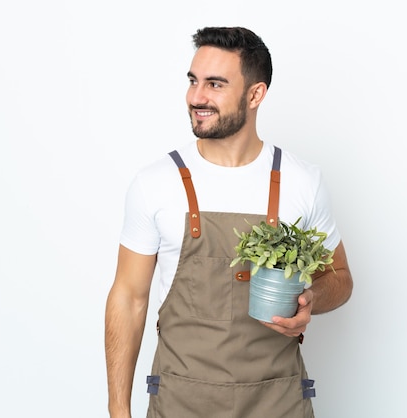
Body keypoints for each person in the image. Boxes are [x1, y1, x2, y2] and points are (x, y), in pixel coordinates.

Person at [104, 26, 353, 418]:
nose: (196, 97)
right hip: (180, 402)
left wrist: (311, 300)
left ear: (255, 94)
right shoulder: (156, 183)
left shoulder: (302, 181)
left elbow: (338, 277)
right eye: (193, 81)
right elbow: (128, 298)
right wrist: (118, 410)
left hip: (277, 402)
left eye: (215, 84)